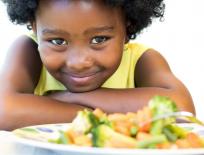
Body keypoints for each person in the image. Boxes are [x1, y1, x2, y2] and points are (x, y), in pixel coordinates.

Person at [0, 0, 195, 130]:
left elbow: (182, 109)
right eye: (58, 42)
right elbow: (4, 110)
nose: (78, 63)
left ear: (128, 27)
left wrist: (66, 99)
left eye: (99, 39)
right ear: (35, 27)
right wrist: (110, 116)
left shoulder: (142, 60)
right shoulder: (28, 50)